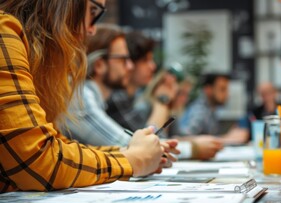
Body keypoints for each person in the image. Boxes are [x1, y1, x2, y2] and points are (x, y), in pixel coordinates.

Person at [0, 0, 173, 193]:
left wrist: (137, 153)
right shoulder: (2, 32)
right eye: (92, 12)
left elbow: (56, 146)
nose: (92, 30)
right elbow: (38, 159)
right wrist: (135, 159)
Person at [63, 23, 178, 164]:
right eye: (123, 60)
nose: (130, 66)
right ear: (99, 65)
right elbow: (136, 148)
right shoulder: (80, 97)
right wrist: (192, 148)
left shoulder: (94, 97)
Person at [106, 32, 223, 160]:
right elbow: (150, 145)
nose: (153, 66)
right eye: (146, 60)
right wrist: (162, 101)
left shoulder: (131, 99)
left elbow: (172, 137)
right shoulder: (120, 100)